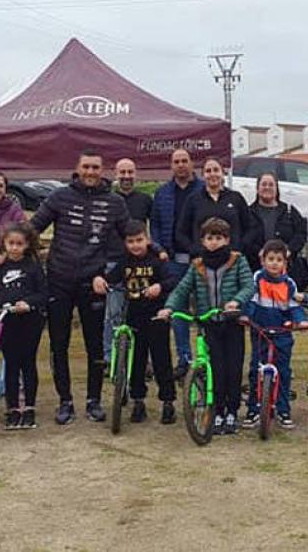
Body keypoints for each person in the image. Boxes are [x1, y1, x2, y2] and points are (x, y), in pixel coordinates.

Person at [29, 150, 130, 425]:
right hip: (59, 280)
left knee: (95, 345)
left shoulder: (115, 202)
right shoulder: (59, 196)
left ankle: (93, 401)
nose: (90, 172)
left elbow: (130, 239)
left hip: (94, 282)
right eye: (86, 166)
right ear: (77, 168)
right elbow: (32, 228)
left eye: (96, 167)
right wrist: (7, 252)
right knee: (59, 343)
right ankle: (65, 401)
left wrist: (155, 252)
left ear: (102, 170)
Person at [159, 217, 254, 435]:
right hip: (209, 323)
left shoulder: (237, 261)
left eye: (218, 238)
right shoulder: (197, 265)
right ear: (202, 241)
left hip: (231, 322)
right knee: (216, 369)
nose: (214, 242)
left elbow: (249, 285)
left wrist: (236, 302)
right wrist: (169, 307)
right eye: (209, 238)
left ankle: (232, 411)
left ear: (227, 239)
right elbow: (182, 289)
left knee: (233, 368)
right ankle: (217, 411)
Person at [105, 220, 179, 425]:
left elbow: (172, 280)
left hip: (156, 316)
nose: (136, 245)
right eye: (131, 241)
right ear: (125, 243)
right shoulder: (124, 262)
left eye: (139, 240)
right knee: (136, 361)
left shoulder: (157, 261)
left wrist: (159, 287)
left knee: (161, 360)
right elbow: (110, 279)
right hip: (134, 316)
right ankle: (138, 401)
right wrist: (100, 281)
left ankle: (168, 402)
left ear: (147, 240)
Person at [0, 223, 48, 430]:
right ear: (4, 244)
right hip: (6, 323)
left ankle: (29, 408)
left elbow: (43, 293)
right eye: (11, 243)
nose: (15, 248)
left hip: (29, 323)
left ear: (26, 245)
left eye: (19, 244)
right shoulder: (0, 269)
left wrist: (29, 303)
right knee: (10, 365)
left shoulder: (33, 268)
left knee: (28, 364)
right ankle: (13, 408)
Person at [242, 239, 308, 430]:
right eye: (270, 259)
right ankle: (253, 409)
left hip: (282, 332)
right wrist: (247, 317)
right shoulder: (257, 279)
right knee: (256, 369)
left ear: (284, 264)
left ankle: (283, 409)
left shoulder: (289, 284)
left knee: (284, 371)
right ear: (263, 261)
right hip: (260, 330)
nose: (274, 263)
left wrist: (300, 321)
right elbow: (252, 301)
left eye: (279, 260)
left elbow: (294, 306)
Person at [150, 149, 204, 377]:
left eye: (184, 161)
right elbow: (154, 225)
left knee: (204, 310)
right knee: (178, 312)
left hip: (200, 261)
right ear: (171, 166)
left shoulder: (203, 190)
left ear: (192, 164)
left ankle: (204, 360)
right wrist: (160, 249)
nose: (181, 165)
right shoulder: (162, 193)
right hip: (172, 261)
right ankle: (184, 359)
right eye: (176, 162)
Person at [174, 158, 255, 257]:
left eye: (216, 170)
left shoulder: (236, 198)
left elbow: (251, 228)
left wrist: (239, 248)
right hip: (202, 262)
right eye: (208, 171)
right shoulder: (193, 200)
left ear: (222, 173)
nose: (212, 174)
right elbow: (180, 233)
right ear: (203, 175)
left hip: (232, 260)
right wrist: (194, 250)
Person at [244, 172, 308, 290]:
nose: (267, 187)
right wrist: (259, 252)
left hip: (287, 272)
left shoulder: (289, 211)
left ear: (277, 188)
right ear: (257, 189)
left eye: (271, 185)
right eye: (264, 184)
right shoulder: (248, 213)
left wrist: (289, 250)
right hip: (256, 269)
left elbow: (301, 233)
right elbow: (244, 238)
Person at [114, 158, 153, 224]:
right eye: (122, 172)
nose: (127, 176)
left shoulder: (146, 199)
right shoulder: (109, 200)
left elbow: (155, 225)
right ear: (116, 174)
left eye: (130, 172)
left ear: (135, 174)